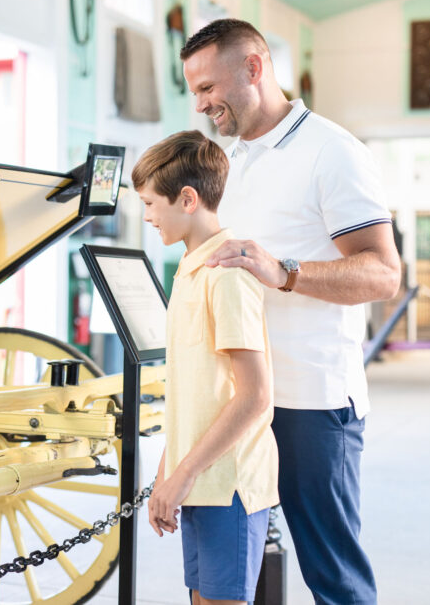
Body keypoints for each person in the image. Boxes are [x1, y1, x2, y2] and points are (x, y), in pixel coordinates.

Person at [180, 19, 401, 605]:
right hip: (243, 399)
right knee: (236, 567)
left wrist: (287, 272)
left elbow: (383, 272)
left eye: (208, 88)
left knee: (331, 572)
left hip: (313, 402)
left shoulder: (333, 151)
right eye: (194, 92)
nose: (201, 104)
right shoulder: (229, 159)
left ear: (254, 67)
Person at [134, 130, 279, 605]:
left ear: (188, 199)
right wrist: (167, 473)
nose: (147, 215)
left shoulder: (227, 274)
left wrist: (183, 474)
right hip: (198, 480)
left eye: (151, 203)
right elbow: (192, 392)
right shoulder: (190, 270)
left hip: (227, 484)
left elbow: (255, 396)